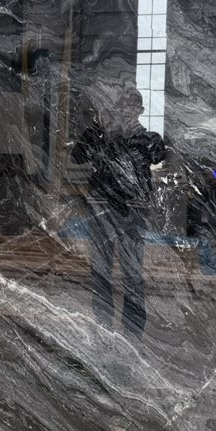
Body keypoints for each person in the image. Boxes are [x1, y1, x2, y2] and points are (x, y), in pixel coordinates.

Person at [70, 79, 166, 339]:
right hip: (101, 210)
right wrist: (98, 126)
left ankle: (132, 333)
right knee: (100, 271)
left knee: (132, 273)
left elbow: (159, 154)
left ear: (140, 110)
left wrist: (129, 133)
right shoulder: (103, 135)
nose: (127, 109)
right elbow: (77, 157)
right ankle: (103, 327)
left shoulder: (147, 138)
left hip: (132, 214)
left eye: (133, 105)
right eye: (123, 104)